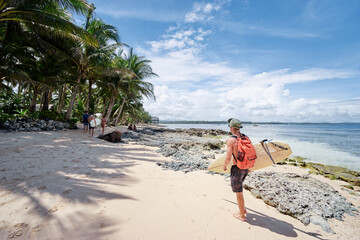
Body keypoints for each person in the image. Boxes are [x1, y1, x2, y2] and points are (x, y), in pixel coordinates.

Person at [223, 118, 250, 222]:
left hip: (237, 168)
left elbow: (228, 157)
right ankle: (242, 209)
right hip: (246, 167)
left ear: (231, 127)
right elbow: (250, 152)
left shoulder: (231, 140)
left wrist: (225, 166)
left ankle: (242, 215)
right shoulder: (245, 137)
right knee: (239, 189)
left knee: (239, 192)